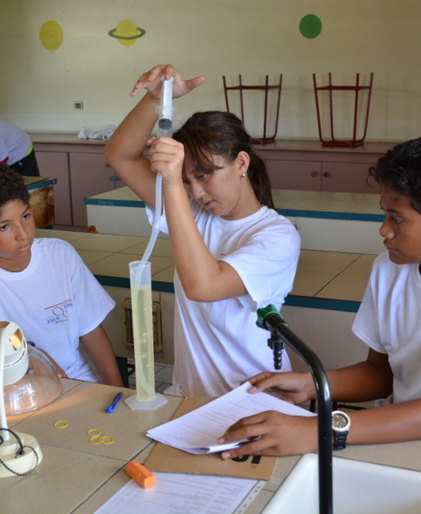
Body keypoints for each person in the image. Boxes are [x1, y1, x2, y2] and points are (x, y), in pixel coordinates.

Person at [219, 137, 421, 473]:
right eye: (385, 214)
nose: (384, 230)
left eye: (397, 219)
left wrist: (317, 428)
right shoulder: (389, 268)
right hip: (406, 440)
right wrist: (309, 384)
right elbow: (381, 374)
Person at [105, 64, 301, 397]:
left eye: (206, 175)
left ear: (241, 163)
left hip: (252, 399)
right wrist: (156, 99)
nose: (196, 193)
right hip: (189, 397)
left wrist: (171, 183)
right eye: (187, 180)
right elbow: (120, 155)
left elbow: (202, 285)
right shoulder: (193, 212)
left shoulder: (277, 237)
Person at [0, 161, 123, 386]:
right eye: (4, 227)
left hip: (75, 381)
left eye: (26, 216)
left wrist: (117, 391)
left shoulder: (61, 255)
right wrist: (25, 353)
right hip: (12, 391)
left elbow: (91, 331)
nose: (23, 235)